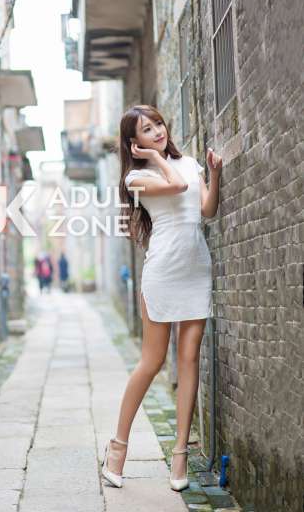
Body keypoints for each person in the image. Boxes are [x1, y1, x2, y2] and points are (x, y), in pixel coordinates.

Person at [101, 104, 222, 492]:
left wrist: (214, 174)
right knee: (151, 362)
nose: (157, 131)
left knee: (189, 360)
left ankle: (180, 453)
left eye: (158, 124)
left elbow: (206, 209)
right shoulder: (136, 177)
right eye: (146, 130)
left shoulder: (188, 164)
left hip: (195, 268)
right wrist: (155, 158)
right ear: (133, 142)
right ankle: (118, 447)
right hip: (163, 271)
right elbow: (176, 187)